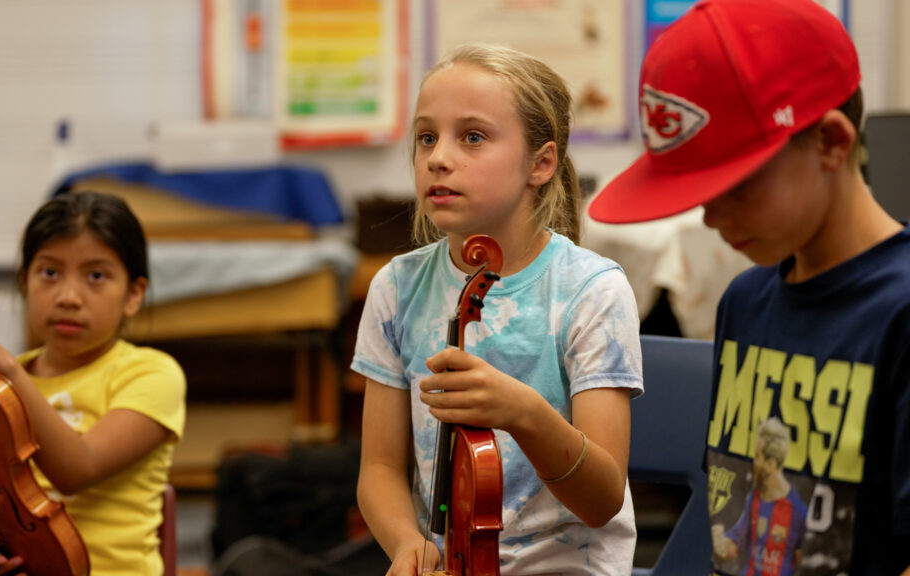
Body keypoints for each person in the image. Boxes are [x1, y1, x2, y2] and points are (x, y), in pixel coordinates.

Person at [588, 0, 910, 573]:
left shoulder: (899, 312)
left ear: (832, 143)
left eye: (734, 186)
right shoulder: (745, 300)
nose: (710, 218)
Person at [351, 43, 643, 575]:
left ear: (541, 163)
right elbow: (379, 467)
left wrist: (526, 415)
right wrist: (406, 544)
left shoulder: (592, 291)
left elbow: (603, 500)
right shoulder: (396, 289)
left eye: (473, 137)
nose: (438, 156)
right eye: (426, 137)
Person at [0, 191, 186, 575]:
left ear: (133, 294)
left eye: (96, 275)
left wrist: (10, 371)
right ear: (24, 281)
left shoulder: (153, 374)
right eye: (49, 272)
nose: (68, 297)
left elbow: (78, 469)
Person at [711, 418, 807, 576]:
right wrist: (718, 543)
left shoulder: (799, 512)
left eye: (756, 457)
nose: (752, 463)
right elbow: (734, 548)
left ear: (771, 464)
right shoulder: (754, 498)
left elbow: (804, 565)